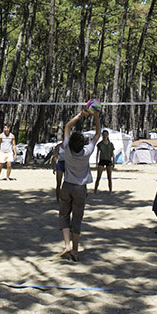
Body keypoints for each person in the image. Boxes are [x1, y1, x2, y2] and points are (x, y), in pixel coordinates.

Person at [56, 108, 101, 261]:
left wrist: (80, 115)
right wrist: (96, 116)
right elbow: (97, 134)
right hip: (80, 188)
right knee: (77, 218)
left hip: (67, 185)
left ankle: (67, 245)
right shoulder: (87, 152)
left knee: (64, 215)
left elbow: (67, 127)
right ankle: (75, 249)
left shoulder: (67, 150)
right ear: (83, 143)